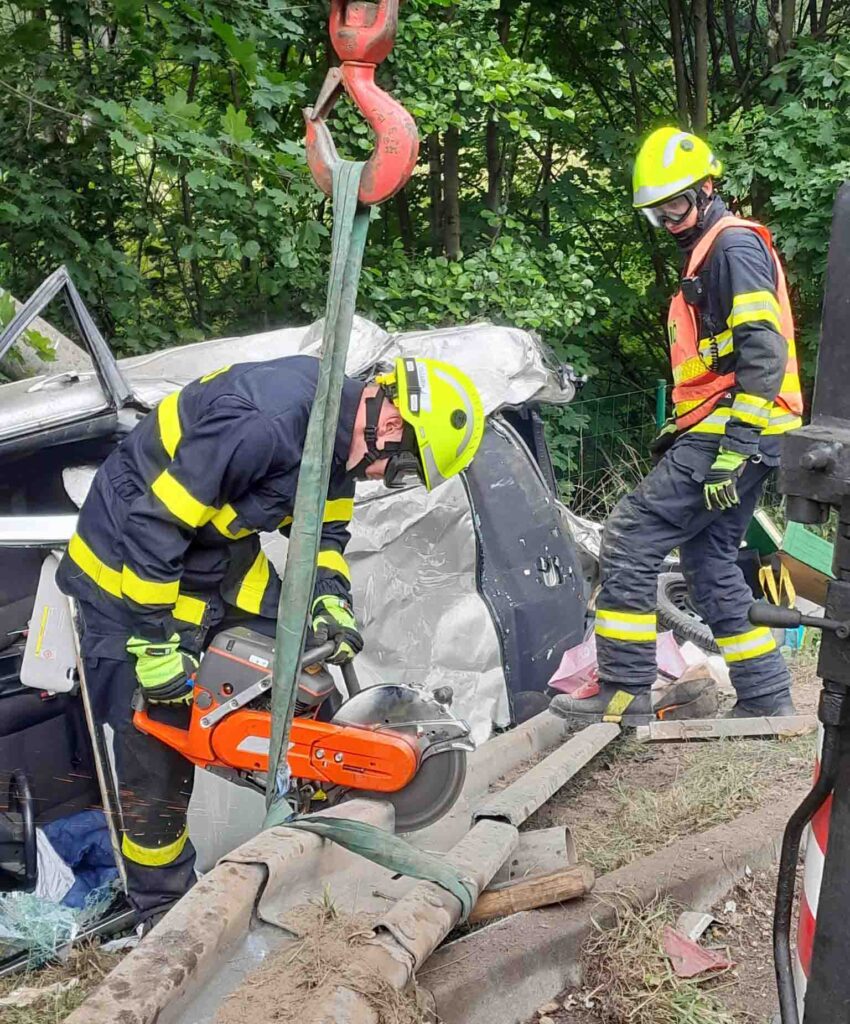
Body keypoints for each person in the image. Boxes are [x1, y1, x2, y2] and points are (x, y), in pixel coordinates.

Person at [57, 353, 484, 917]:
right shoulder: (264, 420)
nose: (389, 478)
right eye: (403, 468)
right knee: (156, 752)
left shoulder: (339, 439)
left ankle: (323, 835)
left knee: (306, 682)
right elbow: (154, 525)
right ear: (390, 425)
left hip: (211, 559)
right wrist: (157, 650)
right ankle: (163, 913)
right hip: (127, 573)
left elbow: (323, 530)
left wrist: (330, 599)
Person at [551, 126, 803, 729]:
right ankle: (767, 698)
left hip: (735, 428)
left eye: (675, 205)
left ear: (707, 188)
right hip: (742, 428)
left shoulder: (732, 248)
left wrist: (735, 448)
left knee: (630, 538)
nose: (667, 220)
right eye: (657, 211)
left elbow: (763, 354)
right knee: (711, 563)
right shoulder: (708, 254)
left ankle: (623, 689)